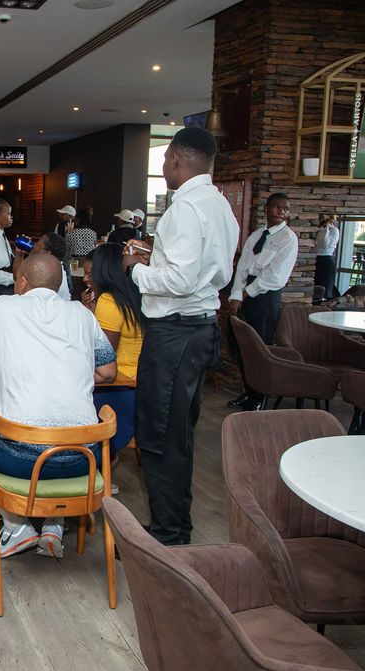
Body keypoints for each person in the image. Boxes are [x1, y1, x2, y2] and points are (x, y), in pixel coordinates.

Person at [0, 253, 117, 558]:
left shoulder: (1, 307)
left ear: (23, 282)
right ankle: (54, 523)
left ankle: (16, 524)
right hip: (85, 458)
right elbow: (108, 372)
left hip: (20, 458)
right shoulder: (82, 314)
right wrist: (65, 372)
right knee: (61, 433)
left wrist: (13, 374)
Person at [122, 126, 237, 547]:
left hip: (175, 334)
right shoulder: (219, 205)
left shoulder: (185, 208)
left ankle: (168, 534)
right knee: (179, 434)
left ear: (174, 159)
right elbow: (207, 271)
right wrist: (156, 258)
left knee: (159, 434)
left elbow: (181, 280)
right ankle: (176, 525)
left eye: (166, 160)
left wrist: (136, 269)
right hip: (200, 327)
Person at [226, 193, 299, 410]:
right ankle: (248, 391)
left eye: (285, 208)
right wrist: (236, 294)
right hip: (245, 292)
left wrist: (246, 293)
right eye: (276, 206)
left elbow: (274, 276)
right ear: (266, 208)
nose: (281, 211)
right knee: (241, 345)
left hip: (265, 297)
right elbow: (242, 267)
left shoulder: (288, 239)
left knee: (259, 347)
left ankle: (258, 397)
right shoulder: (257, 235)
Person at [84, 243, 144, 456]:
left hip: (118, 386)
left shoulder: (108, 301)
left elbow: (103, 359)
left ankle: (98, 462)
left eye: (89, 273)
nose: (85, 279)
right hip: (142, 383)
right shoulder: (135, 295)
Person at [25, 232, 71, 300]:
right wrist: (19, 254)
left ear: (48, 253)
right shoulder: (56, 266)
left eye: (37, 244)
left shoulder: (46, 271)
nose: (33, 245)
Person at [313, 215, 339, 299]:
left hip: (326, 259)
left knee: (325, 285)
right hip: (316, 258)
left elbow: (325, 244)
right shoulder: (317, 229)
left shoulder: (334, 230)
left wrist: (325, 228)